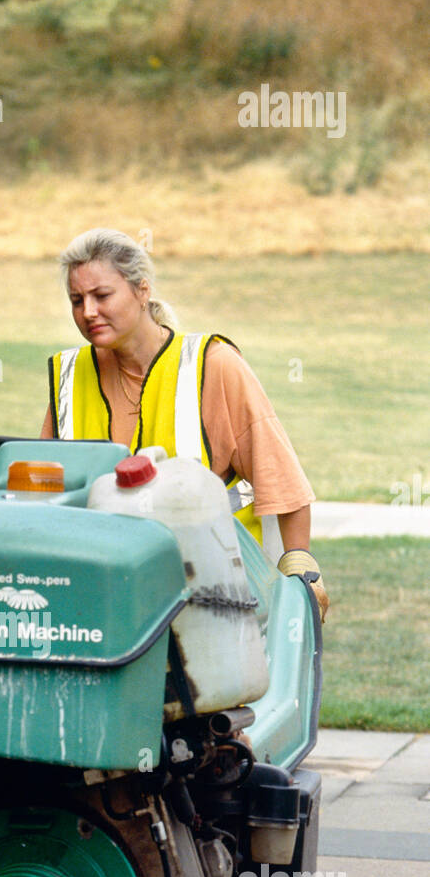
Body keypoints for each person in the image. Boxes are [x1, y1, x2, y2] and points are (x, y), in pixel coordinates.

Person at [41, 228, 329, 621]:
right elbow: (43, 499)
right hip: (104, 602)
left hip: (215, 606)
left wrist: (303, 572)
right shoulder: (69, 377)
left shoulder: (213, 365)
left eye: (102, 296)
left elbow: (282, 483)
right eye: (77, 300)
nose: (88, 312)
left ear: (142, 291)